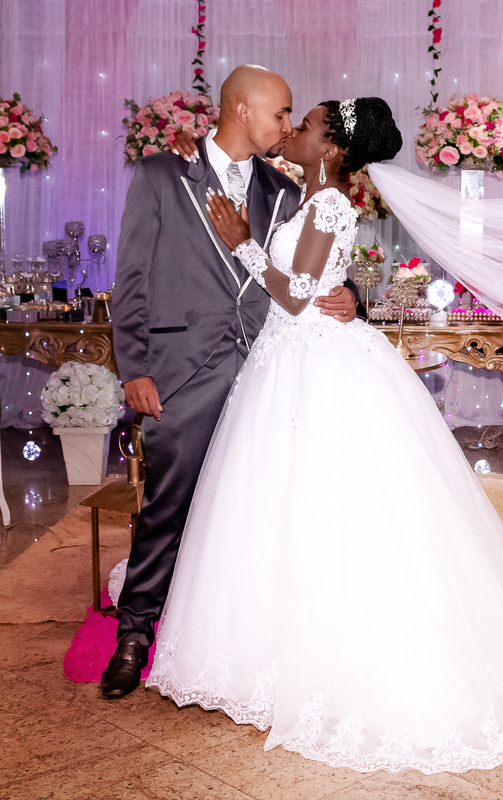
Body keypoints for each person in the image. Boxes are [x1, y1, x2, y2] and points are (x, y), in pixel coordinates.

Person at [143, 96, 503, 773]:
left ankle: (333, 653)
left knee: (328, 503)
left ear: (333, 148)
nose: (293, 131)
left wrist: (242, 243)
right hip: (287, 359)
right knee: (276, 505)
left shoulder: (330, 203)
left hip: (312, 363)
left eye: (306, 125)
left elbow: (293, 295)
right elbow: (313, 279)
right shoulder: (303, 193)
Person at [106, 65, 360, 699]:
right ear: (243, 110)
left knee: (251, 511)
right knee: (167, 507)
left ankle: (233, 640)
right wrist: (135, 367)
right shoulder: (162, 174)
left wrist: (352, 294)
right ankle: (134, 634)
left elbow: (311, 265)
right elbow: (130, 278)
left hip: (267, 373)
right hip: (183, 371)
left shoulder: (284, 188)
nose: (288, 125)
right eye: (281, 113)